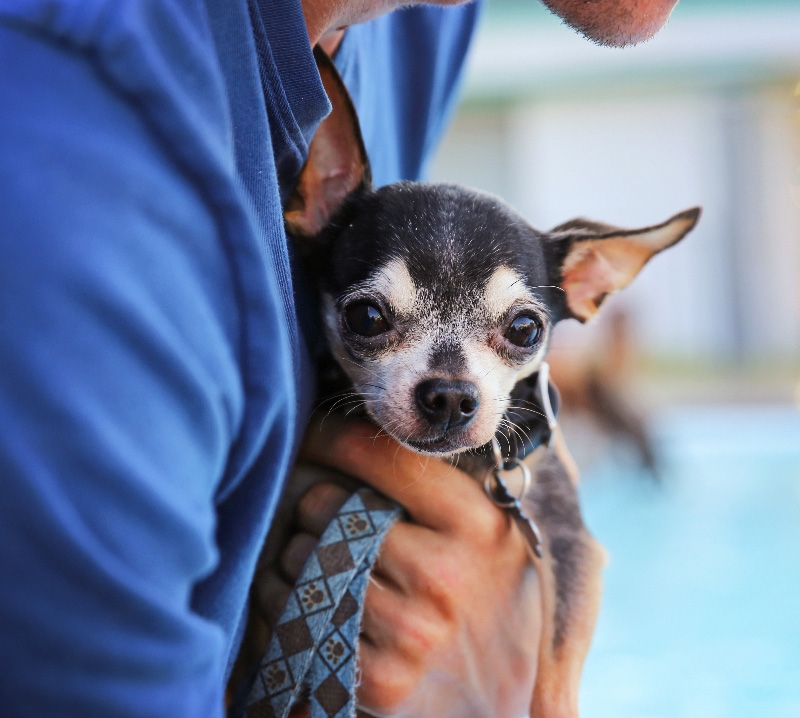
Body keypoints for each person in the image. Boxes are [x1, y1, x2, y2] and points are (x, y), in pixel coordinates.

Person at [0, 0, 678, 715]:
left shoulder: (426, 20)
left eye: (515, 333)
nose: (451, 389)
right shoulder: (71, 146)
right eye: (373, 318)